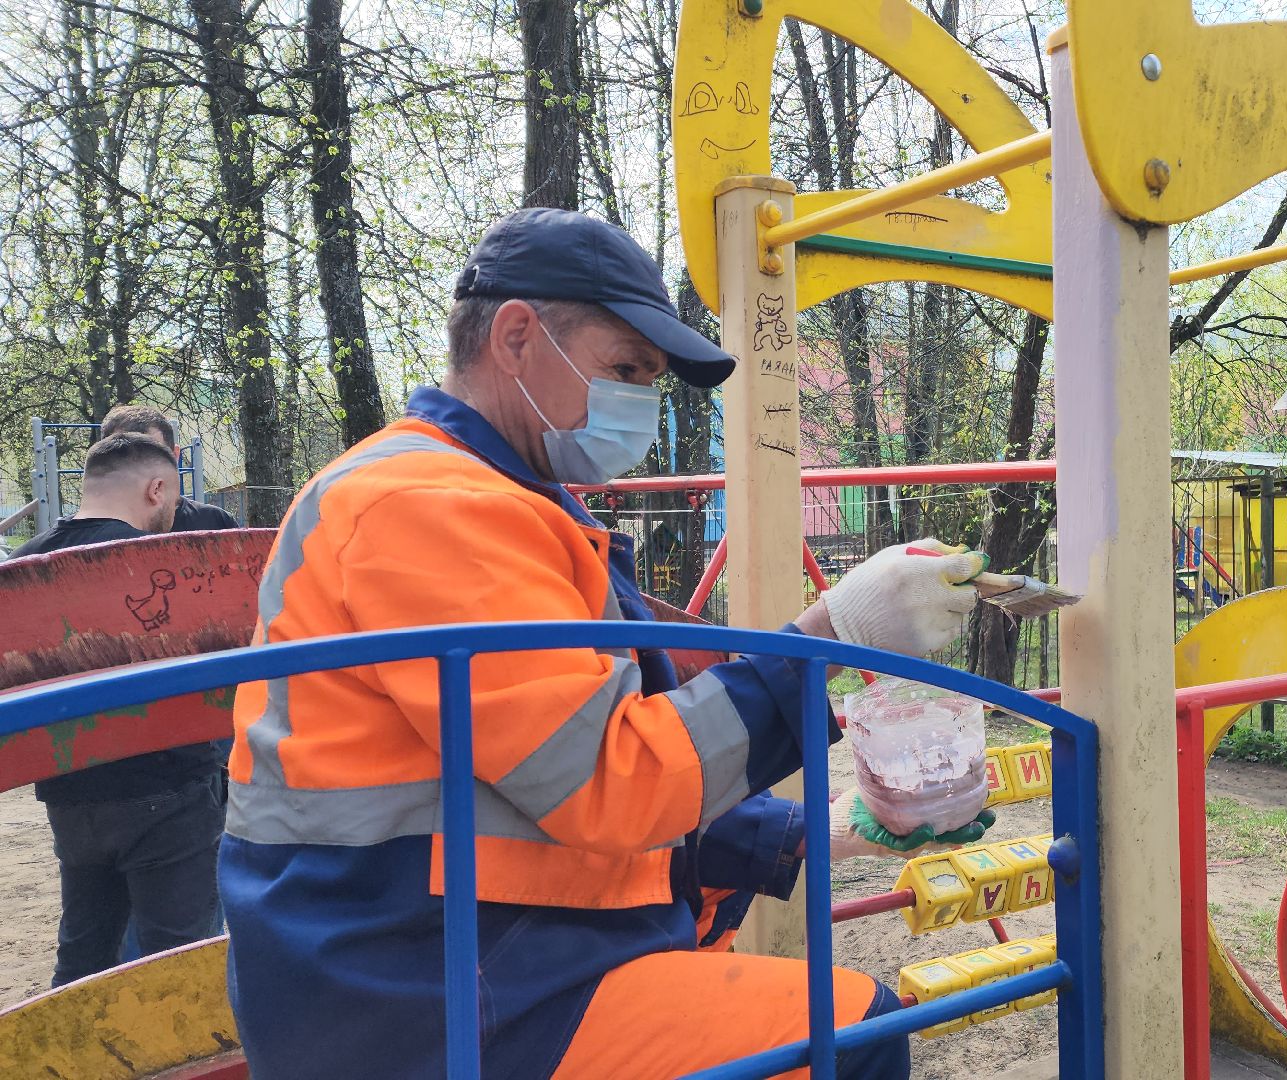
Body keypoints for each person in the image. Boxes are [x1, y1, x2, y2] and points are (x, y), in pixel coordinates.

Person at [222, 208, 991, 1079]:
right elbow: (609, 781)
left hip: (454, 952)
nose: (640, 405)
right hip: (418, 995)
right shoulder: (426, 506)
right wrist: (832, 633)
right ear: (517, 337)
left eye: (650, 380)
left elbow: (536, 783)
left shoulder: (498, 500)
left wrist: (817, 833)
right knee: (852, 1031)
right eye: (625, 369)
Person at [8, 433, 226, 986]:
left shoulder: (22, 565)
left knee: (85, 954)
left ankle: (72, 1039)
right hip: (169, 789)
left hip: (70, 797)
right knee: (179, 963)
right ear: (157, 489)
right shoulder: (157, 562)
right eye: (173, 498)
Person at [98, 403, 241, 532]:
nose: (139, 469)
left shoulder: (216, 524)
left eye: (151, 456)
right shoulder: (87, 534)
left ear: (174, 456)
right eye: (124, 457)